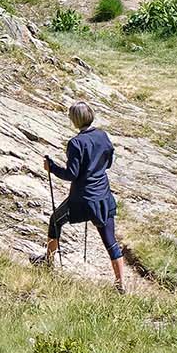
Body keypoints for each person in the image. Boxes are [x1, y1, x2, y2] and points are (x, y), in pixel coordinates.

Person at [37, 100, 124, 292]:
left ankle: (48, 261)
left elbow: (71, 174)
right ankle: (120, 284)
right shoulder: (103, 135)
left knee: (55, 221)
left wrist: (52, 168)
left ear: (75, 120)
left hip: (82, 199)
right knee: (110, 240)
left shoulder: (76, 143)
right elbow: (108, 163)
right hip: (103, 195)